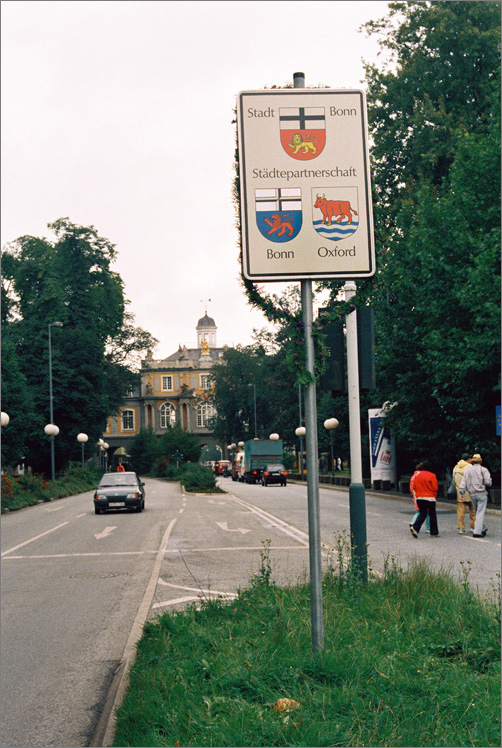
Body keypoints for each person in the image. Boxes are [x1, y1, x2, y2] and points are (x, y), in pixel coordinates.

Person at [458, 454, 492, 538]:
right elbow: (488, 482)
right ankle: (477, 532)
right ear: (481, 461)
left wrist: (462, 493)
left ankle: (483, 528)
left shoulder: (468, 471)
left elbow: (463, 484)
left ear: (472, 461)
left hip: (472, 494)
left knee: (477, 512)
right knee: (480, 512)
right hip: (481, 493)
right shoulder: (483, 470)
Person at [409, 461, 439, 538]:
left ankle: (415, 527)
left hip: (419, 497)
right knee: (432, 514)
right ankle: (434, 532)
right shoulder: (432, 475)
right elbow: (435, 488)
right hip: (430, 497)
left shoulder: (417, 476)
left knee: (422, 513)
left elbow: (414, 486)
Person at [452, 454, 475, 534]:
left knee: (460, 511)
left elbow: (454, 480)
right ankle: (473, 527)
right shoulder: (470, 467)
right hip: (470, 492)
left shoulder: (456, 467)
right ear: (468, 459)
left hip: (460, 492)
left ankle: (461, 528)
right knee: (473, 510)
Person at [410, 462, 430, 533]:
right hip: (424, 495)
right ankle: (428, 528)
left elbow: (412, 487)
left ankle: (413, 522)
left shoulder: (413, 476)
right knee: (427, 513)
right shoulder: (421, 476)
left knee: (418, 511)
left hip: (416, 496)